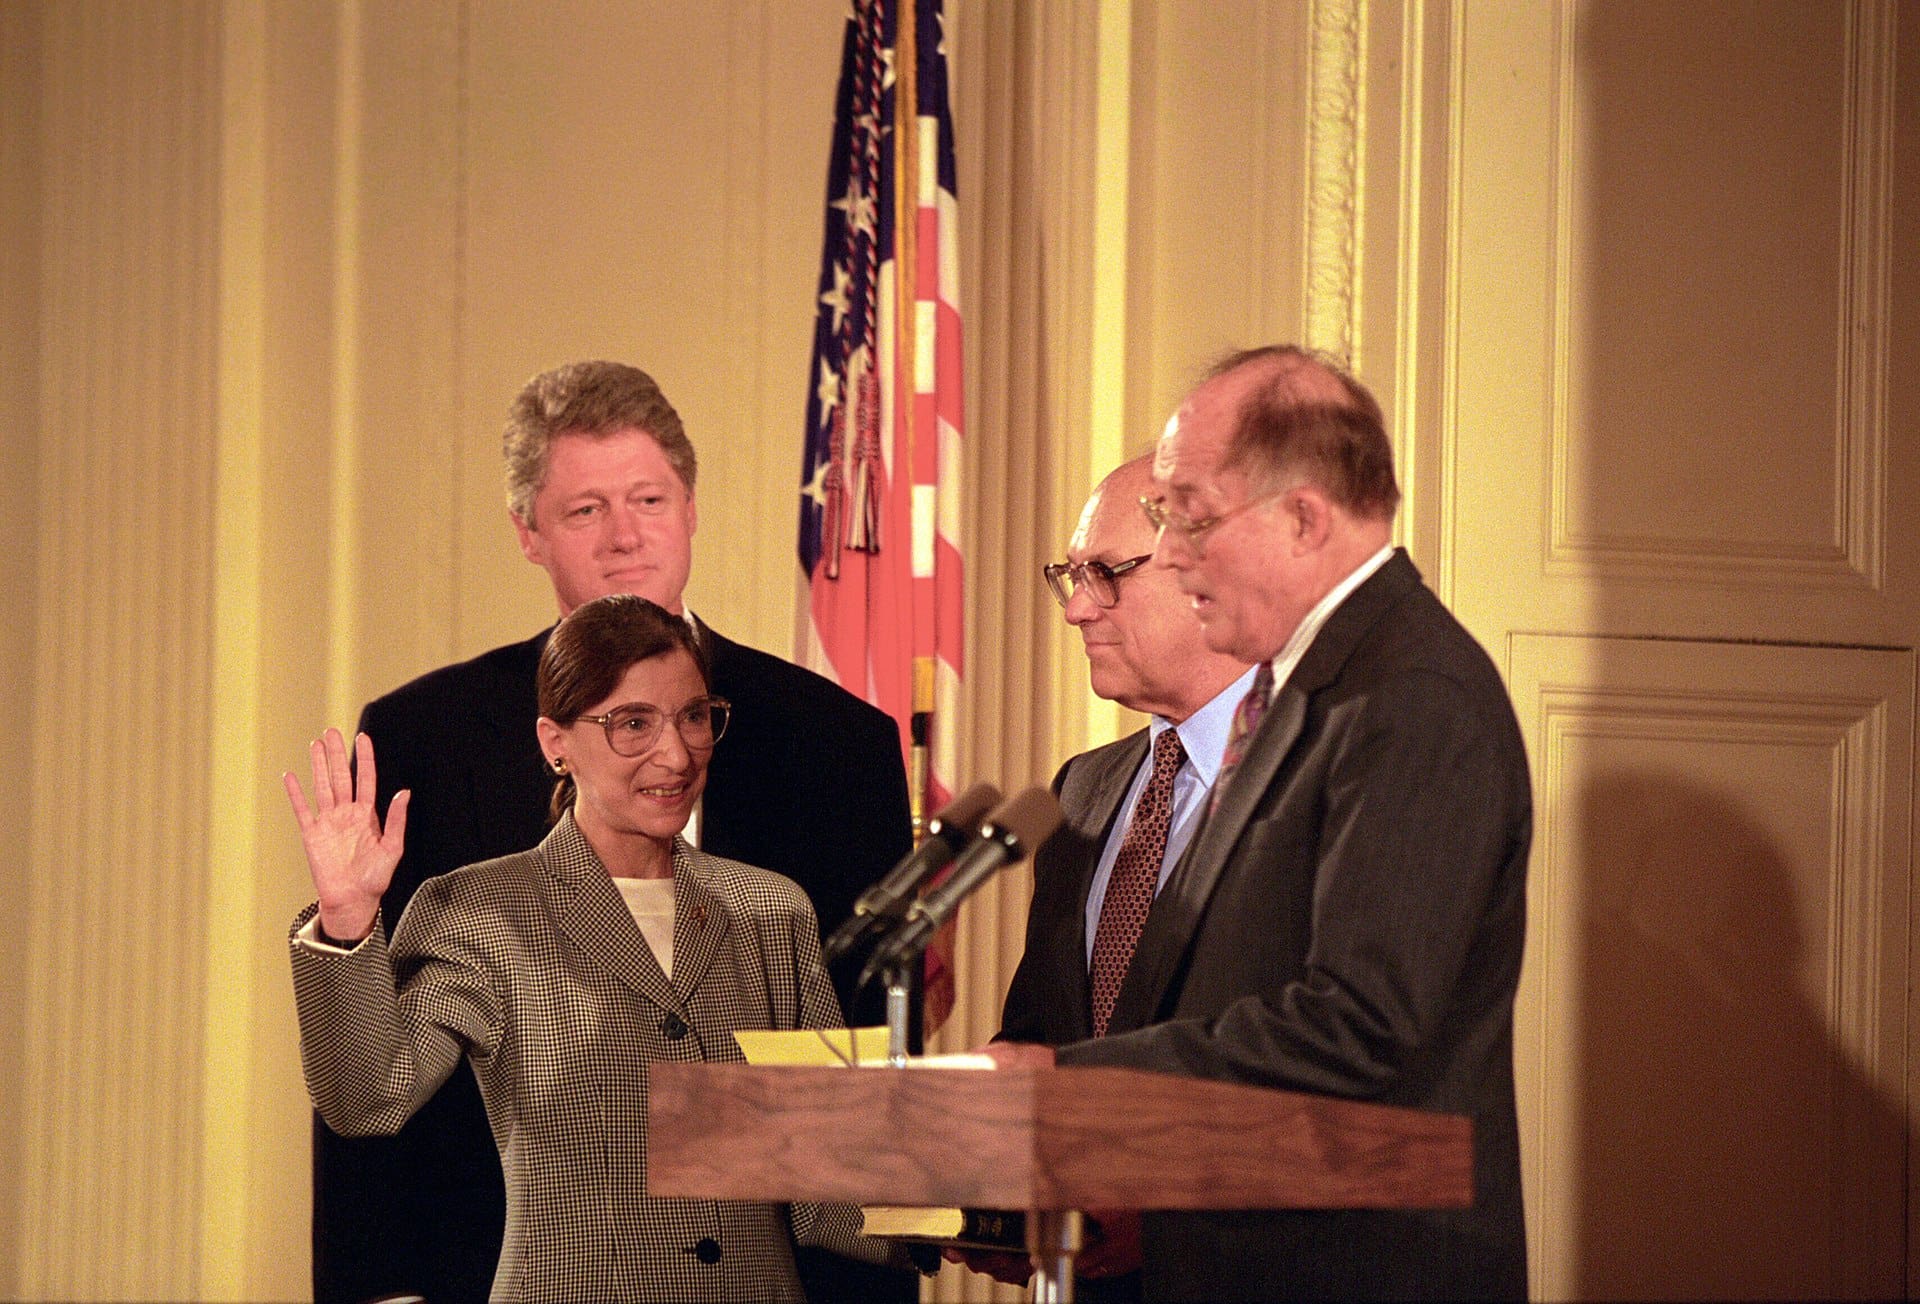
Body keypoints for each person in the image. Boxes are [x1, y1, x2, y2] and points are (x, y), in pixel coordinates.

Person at [313, 361, 917, 1304]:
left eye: (649, 498)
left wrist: (957, 1205)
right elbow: (375, 1084)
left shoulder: (842, 745)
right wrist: (377, 1285)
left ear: (691, 507)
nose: (627, 535)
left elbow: (857, 1082)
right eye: (586, 509)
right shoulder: (422, 736)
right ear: (529, 534)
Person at [988, 347, 1531, 1301]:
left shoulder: (1411, 696)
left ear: (1303, 518)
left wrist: (1065, 1079)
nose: (1178, 554)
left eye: (1189, 519)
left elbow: (1361, 1024)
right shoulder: (1309, 694)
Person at [955, 455, 1253, 1300]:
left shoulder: (1313, 781)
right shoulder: (1080, 788)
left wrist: (1161, 1217)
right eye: (1070, 577)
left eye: (1106, 574)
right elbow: (1044, 1033)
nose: (1078, 607)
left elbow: (1333, 1064)